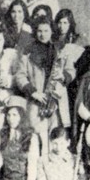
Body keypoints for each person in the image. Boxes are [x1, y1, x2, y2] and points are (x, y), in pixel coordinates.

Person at [15, 16, 76, 153]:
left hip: (56, 99)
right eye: (39, 31)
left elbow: (71, 71)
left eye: (46, 31)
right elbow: (20, 75)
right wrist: (33, 92)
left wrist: (63, 75)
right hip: (37, 100)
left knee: (55, 138)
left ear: (52, 31)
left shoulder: (60, 49)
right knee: (36, 137)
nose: (43, 34)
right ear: (35, 32)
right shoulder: (27, 51)